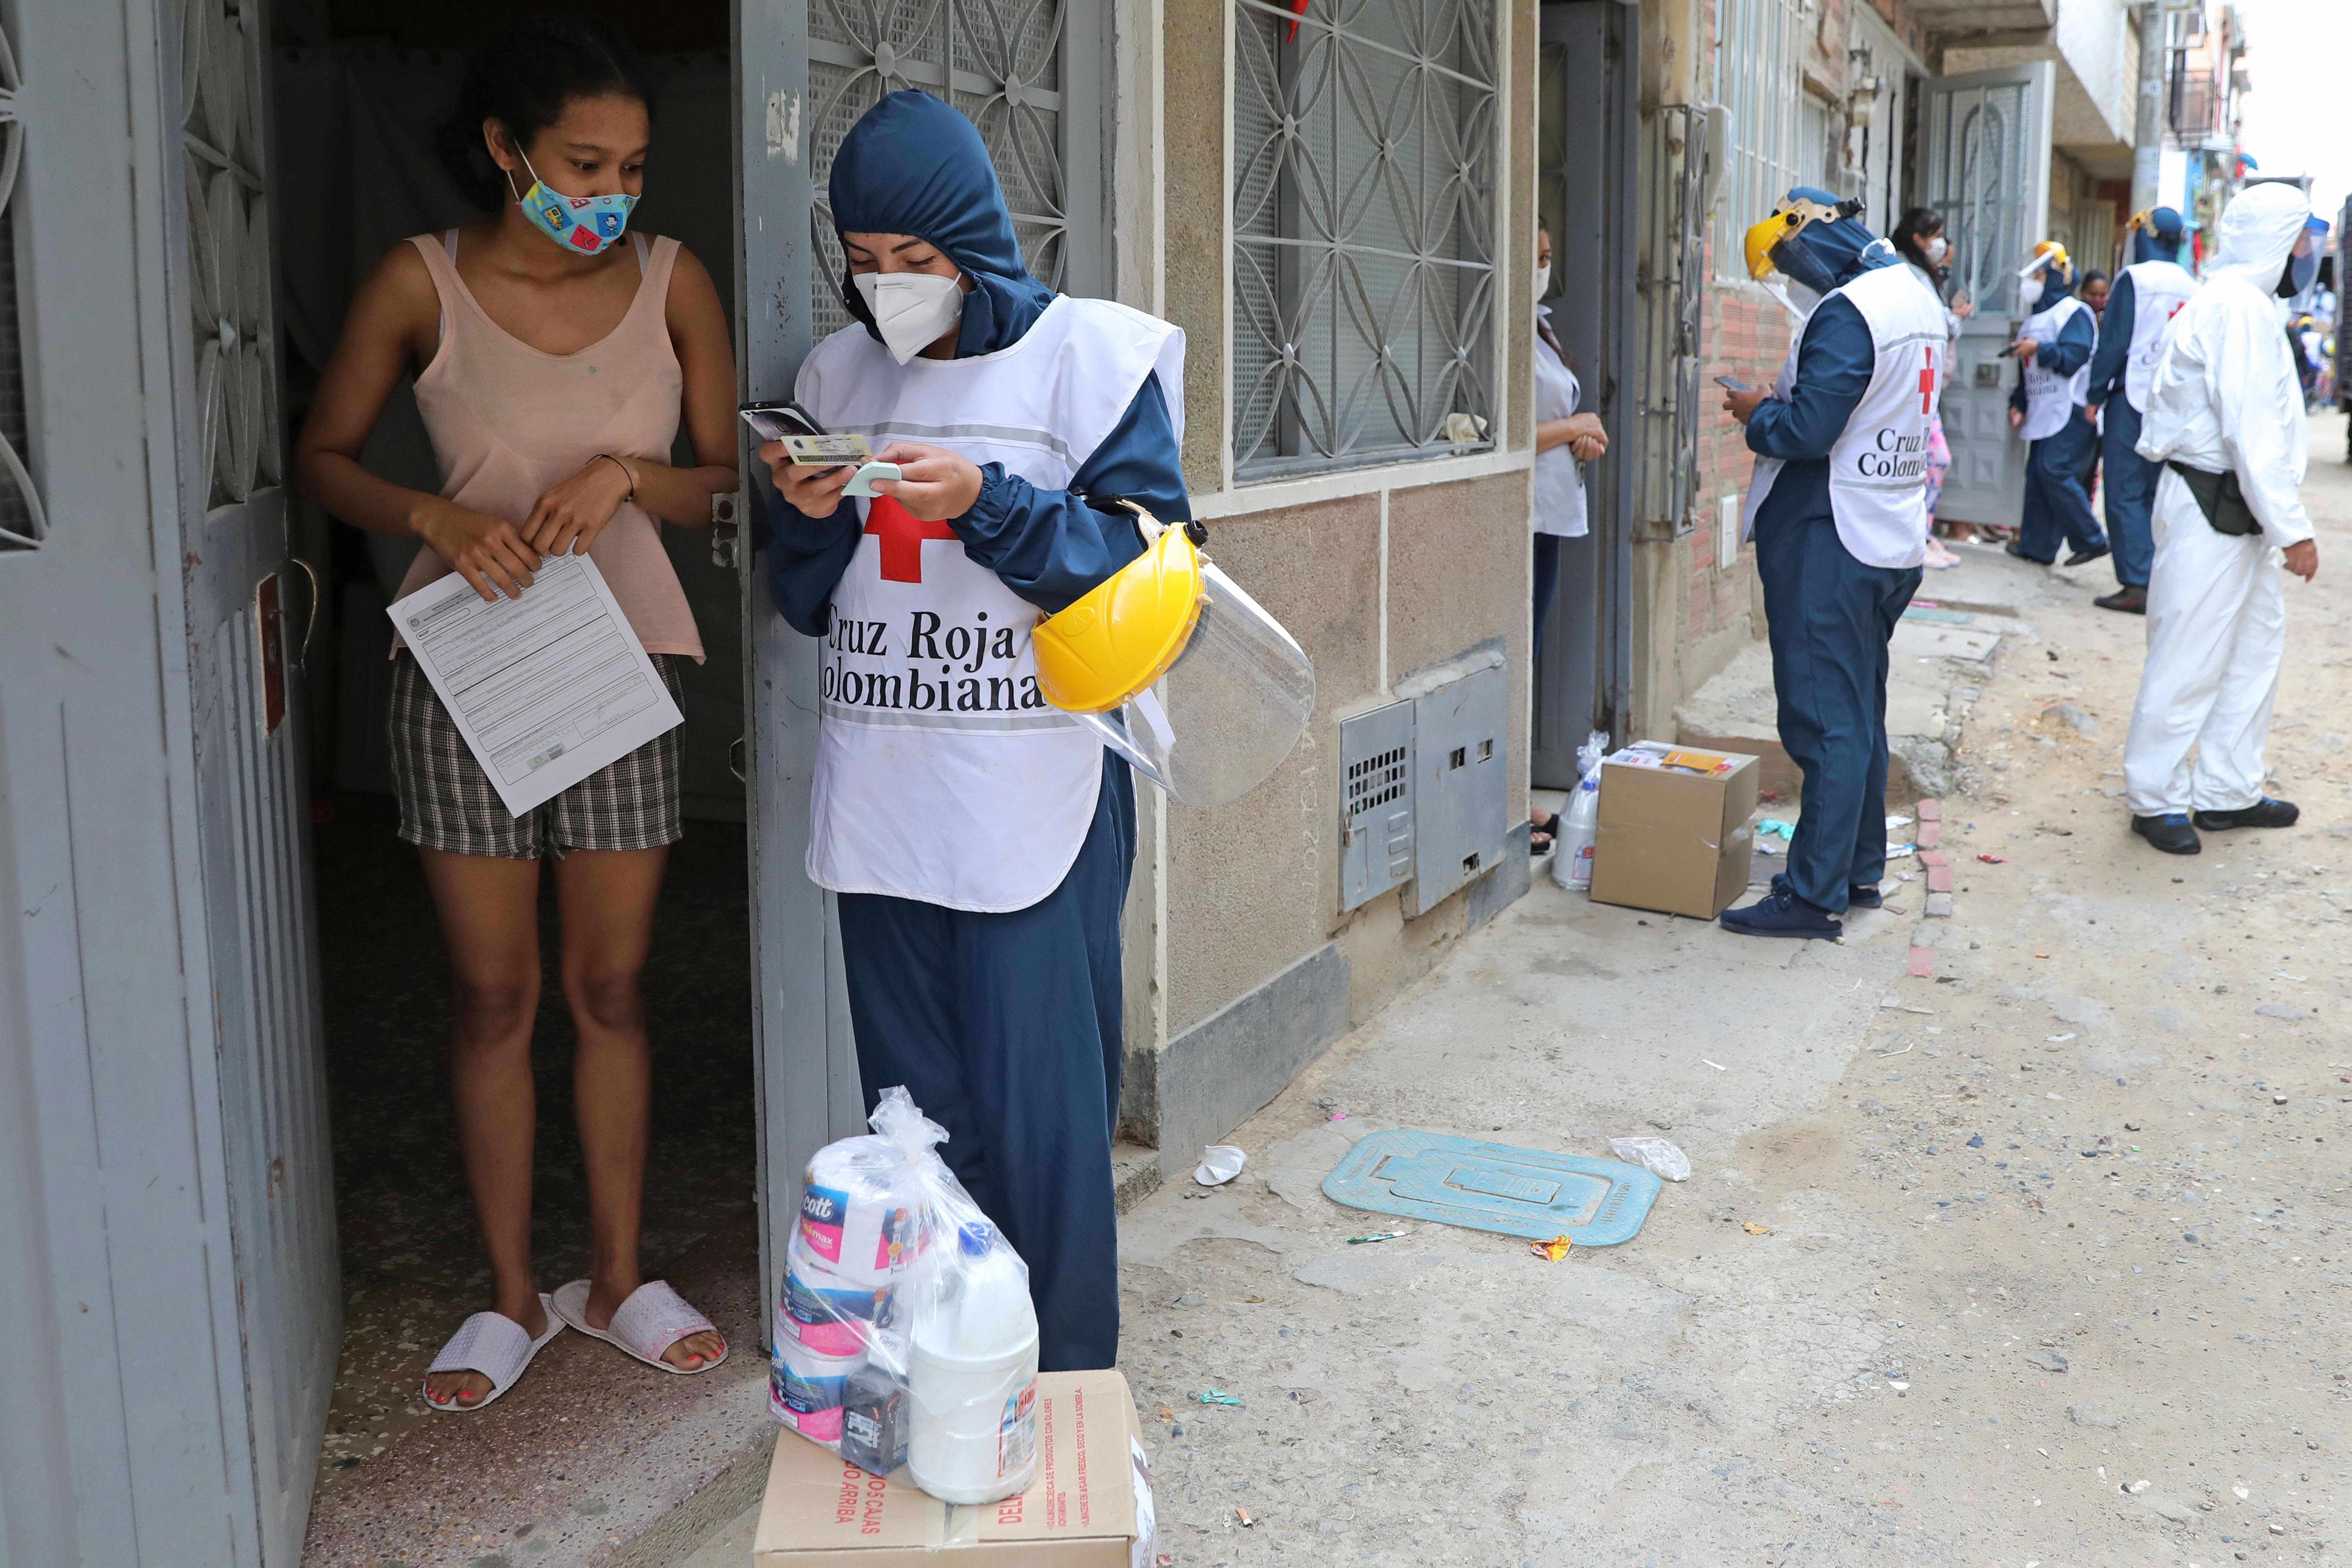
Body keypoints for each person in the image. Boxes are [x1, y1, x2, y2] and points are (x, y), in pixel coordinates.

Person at [293, 17, 739, 1409]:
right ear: (504, 149)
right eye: (581, 162)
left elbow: (725, 477)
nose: (609, 195)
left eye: (632, 168)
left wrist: (626, 478)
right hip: (466, 675)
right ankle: (505, 1293)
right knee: (495, 994)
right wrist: (430, 510)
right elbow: (322, 458)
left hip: (623, 664)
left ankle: (613, 1278)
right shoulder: (417, 284)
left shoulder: (675, 282)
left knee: (610, 987)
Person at [762, 91, 1187, 1371]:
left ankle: (1063, 1412)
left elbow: (1148, 564)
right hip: (886, 791)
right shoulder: (834, 378)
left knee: (1046, 1125)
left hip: (1032, 796)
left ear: (977, 243)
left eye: (918, 261)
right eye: (865, 261)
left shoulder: (1088, 361)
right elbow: (800, 601)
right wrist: (813, 509)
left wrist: (991, 502)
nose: (888, 288)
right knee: (916, 1128)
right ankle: (950, 1390)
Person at [1716, 189, 1946, 939]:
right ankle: (1857, 870)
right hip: (1887, 532)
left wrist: (1758, 412)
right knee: (1859, 715)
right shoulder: (1916, 298)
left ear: (1814, 240)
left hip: (1832, 536)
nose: (1793, 283)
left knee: (1824, 722)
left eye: (1787, 264)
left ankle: (1813, 895)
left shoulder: (1853, 310)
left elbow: (1811, 428)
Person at [2122, 181, 2322, 855]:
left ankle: (2227, 791)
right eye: (2301, 242)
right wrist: (2294, 530)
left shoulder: (2251, 304)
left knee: (2251, 651)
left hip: (2240, 509)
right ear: (2277, 242)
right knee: (2190, 655)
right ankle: (2155, 800)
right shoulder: (2236, 308)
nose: (2307, 255)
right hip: (2215, 501)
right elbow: (2251, 429)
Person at [1530, 220, 1607, 852]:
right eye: (1531, 258)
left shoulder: (1542, 329)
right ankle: (1516, 804)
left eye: (1549, 257)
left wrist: (1585, 433)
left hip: (1554, 511)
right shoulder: (1498, 333)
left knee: (1530, 653)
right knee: (1518, 654)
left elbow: (1557, 424)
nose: (1542, 268)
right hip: (1520, 517)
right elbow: (1506, 436)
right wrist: (1575, 424)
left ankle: (1516, 799)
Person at [2082, 208, 2198, 615]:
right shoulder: (2192, 285)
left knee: (2125, 491)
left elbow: (2114, 342)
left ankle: (2137, 582)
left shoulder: (2135, 279)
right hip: (2175, 400)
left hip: (2132, 396)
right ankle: (2158, 579)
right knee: (2154, 493)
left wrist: (2094, 395)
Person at [2005, 244, 2110, 570]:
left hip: (2072, 410)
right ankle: (2037, 547)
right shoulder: (2034, 320)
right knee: (2038, 476)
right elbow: (2027, 372)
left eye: (2039, 274)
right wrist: (2019, 403)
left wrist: (2041, 349)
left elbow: (2073, 358)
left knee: (2054, 471)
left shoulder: (2072, 311)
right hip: (2044, 410)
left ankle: (2092, 539)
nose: (2033, 281)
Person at [1889, 208, 1970, 569]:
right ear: (1919, 239)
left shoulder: (1922, 274)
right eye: (1936, 235)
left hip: (1926, 387)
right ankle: (1917, 537)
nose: (1940, 243)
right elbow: (1939, 326)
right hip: (1914, 385)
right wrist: (1957, 318)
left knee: (1930, 461)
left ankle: (1923, 535)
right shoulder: (1909, 274)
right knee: (1935, 460)